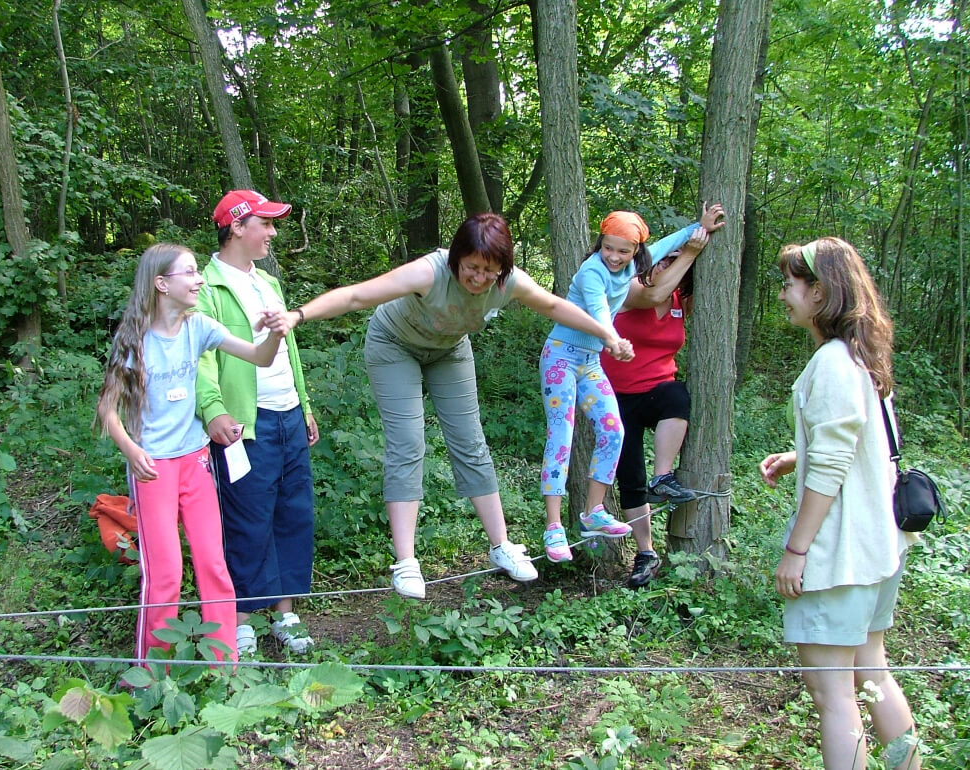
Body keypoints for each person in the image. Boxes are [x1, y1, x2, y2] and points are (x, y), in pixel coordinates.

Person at [281, 212, 633, 599]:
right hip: (394, 345)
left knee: (471, 442)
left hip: (449, 349)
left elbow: (553, 307)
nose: (480, 278)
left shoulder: (509, 281)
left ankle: (501, 545)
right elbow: (355, 295)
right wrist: (299, 315)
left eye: (490, 270)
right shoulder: (429, 272)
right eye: (472, 268)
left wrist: (605, 333)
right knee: (408, 443)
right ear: (456, 259)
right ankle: (406, 562)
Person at [758, 237, 920, 769]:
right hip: (879, 548)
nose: (784, 294)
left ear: (821, 292)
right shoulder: (862, 355)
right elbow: (857, 444)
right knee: (873, 672)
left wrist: (797, 549)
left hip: (841, 556)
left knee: (835, 697)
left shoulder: (831, 361)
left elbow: (833, 465)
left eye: (790, 283)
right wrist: (796, 455)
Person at [96, 243, 289, 662]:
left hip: (196, 461)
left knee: (213, 565)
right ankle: (154, 671)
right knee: (165, 574)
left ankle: (225, 665)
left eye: (198, 272)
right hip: (153, 470)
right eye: (189, 273)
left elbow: (258, 356)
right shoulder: (134, 340)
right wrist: (132, 450)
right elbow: (107, 411)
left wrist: (275, 334)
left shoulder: (199, 326)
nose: (199, 279)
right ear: (162, 284)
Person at [539, 209, 715, 564]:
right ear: (600, 244)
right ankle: (554, 526)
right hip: (561, 357)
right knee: (562, 435)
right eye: (608, 248)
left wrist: (700, 229)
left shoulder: (635, 265)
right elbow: (599, 312)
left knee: (613, 431)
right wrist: (614, 341)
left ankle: (594, 512)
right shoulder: (592, 272)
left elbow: (669, 243)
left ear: (636, 251)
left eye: (624, 251)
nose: (615, 257)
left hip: (589, 362)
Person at [195, 190, 319, 657]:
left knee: (293, 513)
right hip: (245, 425)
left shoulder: (268, 282)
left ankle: (285, 613)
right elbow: (201, 356)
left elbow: (288, 349)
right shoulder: (205, 287)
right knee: (247, 518)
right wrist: (212, 408)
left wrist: (304, 404)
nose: (271, 233)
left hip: (288, 416)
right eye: (264, 224)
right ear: (236, 228)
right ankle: (240, 618)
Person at [599, 203, 725, 587]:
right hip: (617, 396)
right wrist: (689, 248)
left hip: (656, 390)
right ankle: (645, 552)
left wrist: (697, 238)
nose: (662, 268)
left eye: (670, 263)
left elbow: (672, 299)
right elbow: (652, 295)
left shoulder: (679, 303)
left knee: (677, 397)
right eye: (659, 262)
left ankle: (664, 477)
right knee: (628, 475)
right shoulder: (629, 289)